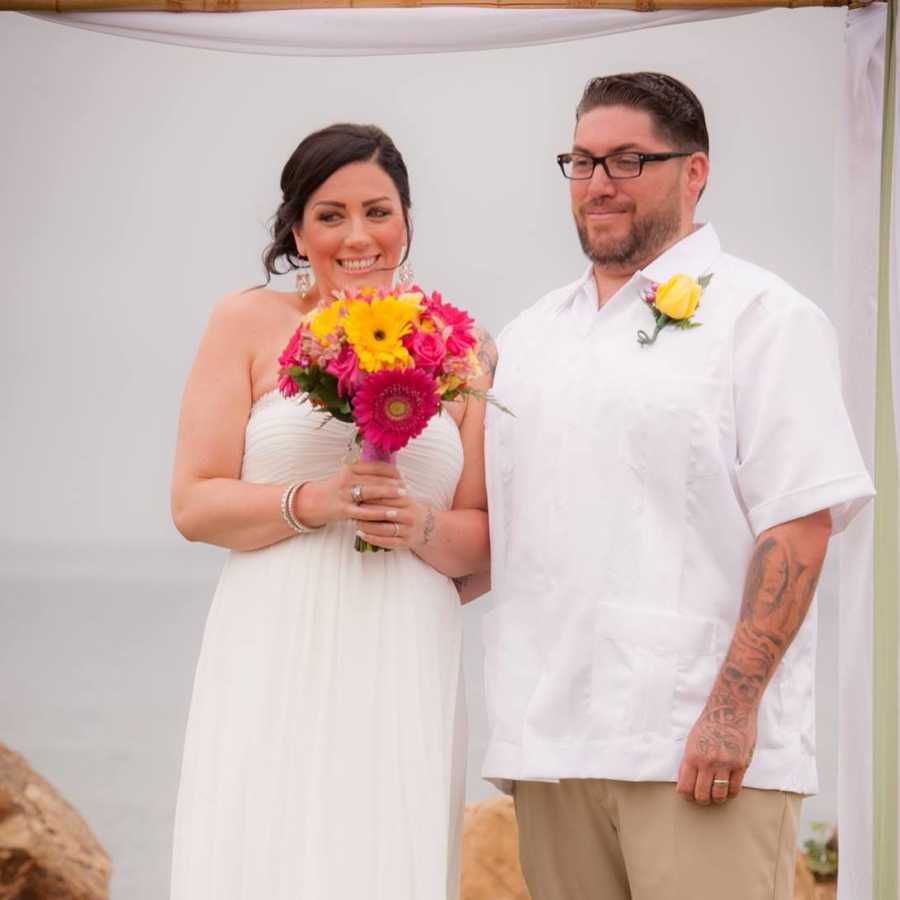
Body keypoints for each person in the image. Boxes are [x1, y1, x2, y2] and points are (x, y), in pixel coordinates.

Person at [482, 73, 875, 900]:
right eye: (582, 161)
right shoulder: (528, 338)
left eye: (628, 161)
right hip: (553, 748)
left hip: (696, 747)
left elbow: (800, 525)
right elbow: (503, 535)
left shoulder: (766, 317)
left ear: (694, 172)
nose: (598, 184)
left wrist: (732, 710)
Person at [169, 123, 494, 900]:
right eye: (330, 214)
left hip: (404, 636)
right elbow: (193, 501)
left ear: (407, 218)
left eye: (378, 211)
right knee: (263, 840)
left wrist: (418, 525)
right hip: (272, 628)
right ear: (295, 229)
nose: (358, 237)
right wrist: (309, 502)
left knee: (385, 850)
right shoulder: (244, 323)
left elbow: (484, 541)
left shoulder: (463, 345)